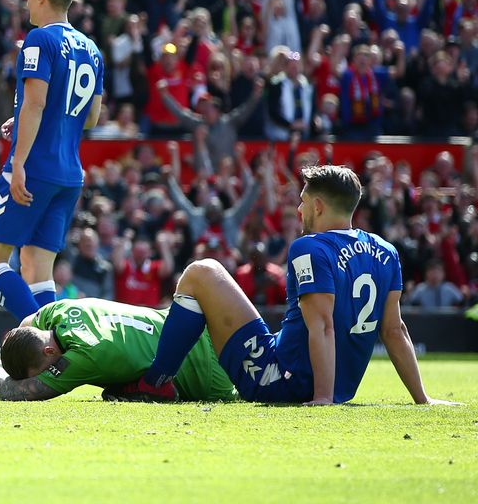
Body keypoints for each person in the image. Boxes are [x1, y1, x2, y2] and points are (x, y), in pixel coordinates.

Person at [108, 165, 457, 405]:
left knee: (201, 272)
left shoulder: (310, 247)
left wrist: (322, 399)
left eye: (303, 202)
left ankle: (154, 383)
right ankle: (165, 378)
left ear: (318, 206)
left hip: (281, 381)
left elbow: (322, 326)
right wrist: (421, 399)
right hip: (335, 385)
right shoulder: (386, 251)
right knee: (213, 278)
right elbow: (395, 331)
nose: (300, 208)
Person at [0, 0, 104, 321]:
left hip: (36, 168)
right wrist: (29, 116)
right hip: (69, 175)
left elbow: (36, 102)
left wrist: (18, 164)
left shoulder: (39, 39)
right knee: (36, 268)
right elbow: (89, 118)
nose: (26, 0)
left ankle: (43, 347)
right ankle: (56, 347)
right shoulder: (92, 50)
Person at [0, 298, 236, 402]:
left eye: (37, 372)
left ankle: (146, 387)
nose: (40, 377)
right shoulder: (58, 311)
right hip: (200, 324)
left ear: (49, 353)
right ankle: (143, 386)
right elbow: (26, 323)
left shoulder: (83, 356)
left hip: (208, 374)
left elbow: (15, 393)